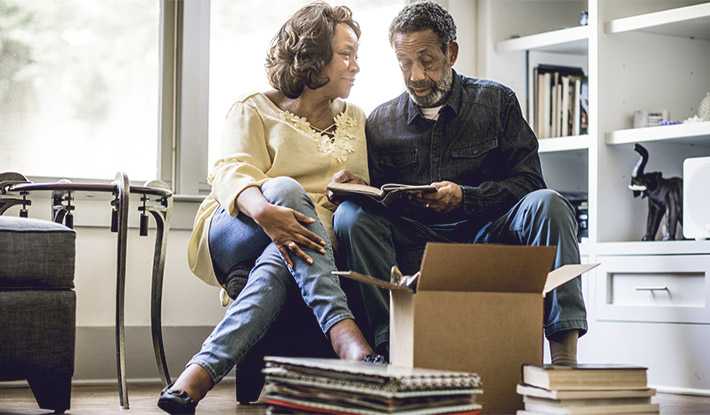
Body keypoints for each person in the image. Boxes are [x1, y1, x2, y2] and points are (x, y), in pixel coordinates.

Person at [331, 1, 586, 366]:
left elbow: (529, 182)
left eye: (427, 61)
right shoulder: (380, 122)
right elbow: (381, 203)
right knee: (350, 217)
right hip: (415, 237)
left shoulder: (496, 102)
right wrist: (356, 187)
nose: (416, 75)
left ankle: (563, 359)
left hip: (486, 229)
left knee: (550, 203)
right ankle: (391, 352)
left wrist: (467, 198)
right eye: (405, 64)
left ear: (451, 53)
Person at [158, 3, 381, 414]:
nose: (356, 66)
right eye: (346, 54)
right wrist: (266, 212)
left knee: (284, 256)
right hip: (239, 221)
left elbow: (358, 190)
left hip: (309, 237)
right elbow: (230, 173)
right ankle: (344, 333)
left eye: (356, 55)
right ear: (313, 58)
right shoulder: (254, 107)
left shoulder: (356, 119)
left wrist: (346, 191)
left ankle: (197, 375)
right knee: (283, 187)